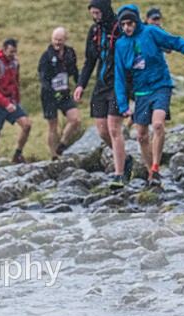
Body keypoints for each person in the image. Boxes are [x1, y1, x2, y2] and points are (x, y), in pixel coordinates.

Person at [114, 5, 184, 186]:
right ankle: (152, 174)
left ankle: (155, 165)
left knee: (157, 124)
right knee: (141, 135)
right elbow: (119, 77)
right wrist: (123, 105)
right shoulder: (120, 44)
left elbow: (177, 42)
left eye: (129, 23)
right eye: (123, 25)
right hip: (141, 92)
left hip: (161, 85)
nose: (126, 28)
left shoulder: (151, 32)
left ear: (136, 22)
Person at [73, 0, 134, 190]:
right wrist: (80, 85)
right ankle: (125, 159)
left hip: (119, 83)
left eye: (98, 12)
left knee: (114, 128)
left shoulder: (120, 27)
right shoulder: (94, 32)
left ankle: (119, 174)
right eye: (93, 13)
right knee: (102, 130)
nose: (95, 16)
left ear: (105, 10)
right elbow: (89, 61)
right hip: (101, 84)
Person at [0, 38, 32, 168]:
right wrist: (6, 103)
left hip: (11, 102)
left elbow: (16, 84)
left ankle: (17, 154)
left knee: (27, 125)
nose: (13, 55)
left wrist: (16, 102)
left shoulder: (15, 64)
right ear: (4, 50)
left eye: (15, 52)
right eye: (10, 52)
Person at [38, 27, 81, 160]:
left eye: (60, 40)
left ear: (65, 40)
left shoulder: (69, 52)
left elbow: (74, 71)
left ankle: (62, 144)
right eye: (55, 39)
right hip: (49, 95)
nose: (57, 42)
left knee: (75, 119)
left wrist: (80, 85)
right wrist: (52, 91)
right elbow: (42, 78)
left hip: (64, 93)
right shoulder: (46, 56)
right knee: (53, 125)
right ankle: (53, 156)